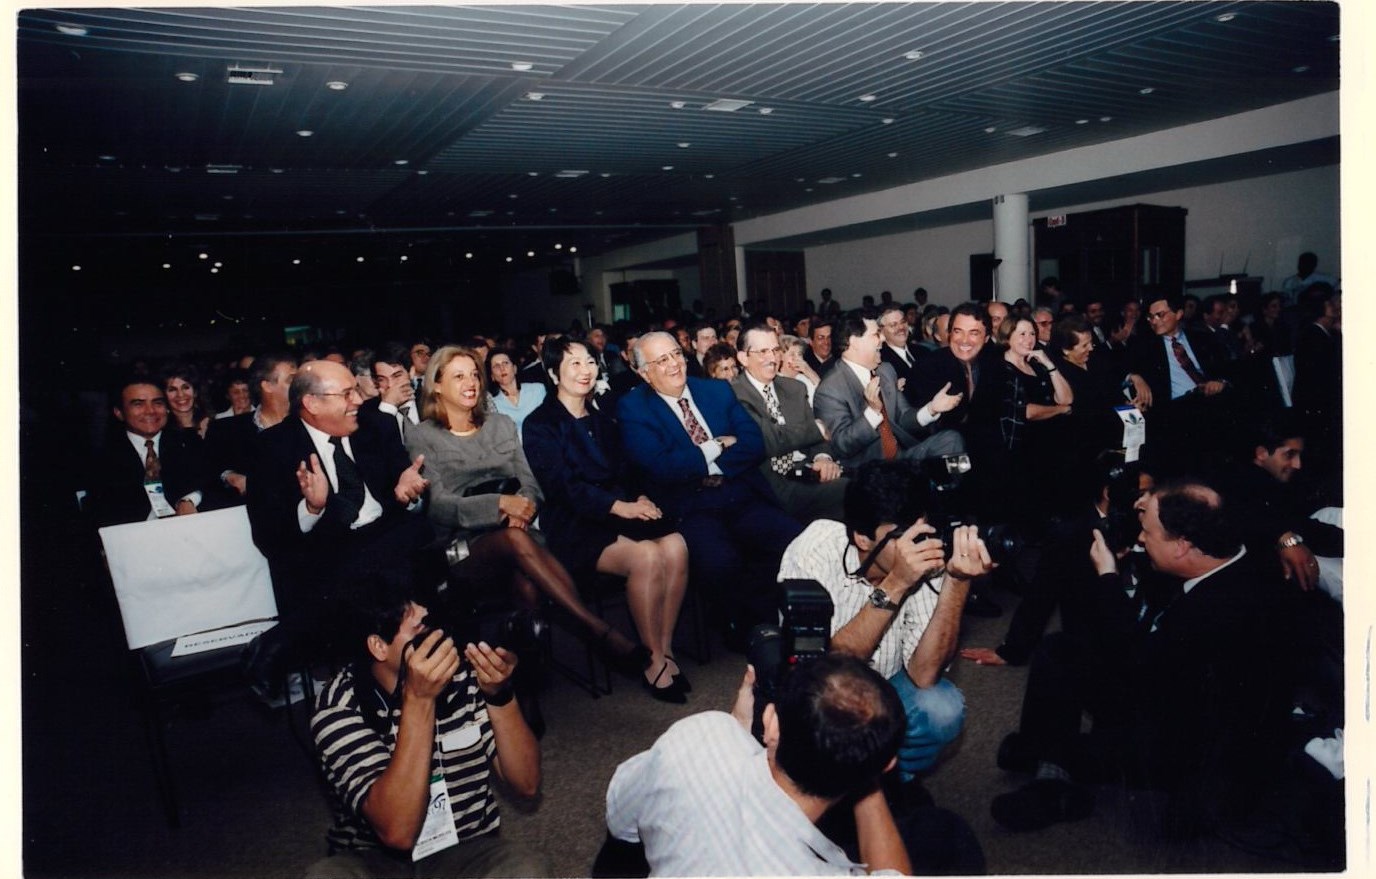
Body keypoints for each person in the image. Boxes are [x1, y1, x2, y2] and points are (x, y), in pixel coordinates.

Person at [990, 480, 1287, 835]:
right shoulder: (1221, 560)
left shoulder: (1220, 610)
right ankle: (1041, 753)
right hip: (1167, 685)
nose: (1141, 540)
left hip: (1184, 742)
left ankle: (1050, 781)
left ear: (1183, 546)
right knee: (1060, 650)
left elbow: (1133, 662)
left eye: (1149, 533)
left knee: (1064, 745)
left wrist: (1108, 576)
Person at [403, 346, 647, 675]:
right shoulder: (422, 436)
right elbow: (439, 505)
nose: (471, 383)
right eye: (458, 376)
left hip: (520, 531)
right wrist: (501, 505)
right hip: (463, 546)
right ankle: (597, 630)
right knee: (516, 542)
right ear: (436, 385)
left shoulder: (501, 424)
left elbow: (531, 483)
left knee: (527, 583)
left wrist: (522, 508)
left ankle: (525, 673)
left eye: (474, 374)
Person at [308, 580, 548, 877]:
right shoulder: (339, 707)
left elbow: (527, 784)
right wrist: (419, 701)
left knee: (525, 869)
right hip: (374, 859)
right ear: (379, 646)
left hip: (464, 847)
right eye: (420, 631)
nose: (436, 638)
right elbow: (397, 831)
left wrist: (499, 696)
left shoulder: (462, 677)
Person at [778, 460, 993, 779]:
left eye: (922, 530)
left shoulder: (928, 557)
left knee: (941, 708)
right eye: (903, 535)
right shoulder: (814, 551)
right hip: (818, 694)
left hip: (885, 683)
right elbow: (823, 670)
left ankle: (890, 781)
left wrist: (957, 581)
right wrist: (896, 584)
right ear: (862, 538)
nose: (917, 545)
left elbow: (924, 675)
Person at [605, 655, 910, 876]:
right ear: (887, 766)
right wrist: (867, 771)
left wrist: (732, 735)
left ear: (771, 721)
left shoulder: (699, 730)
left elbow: (620, 817)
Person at [244, 360, 435, 690]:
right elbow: (269, 538)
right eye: (347, 394)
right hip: (331, 551)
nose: (358, 400)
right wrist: (311, 509)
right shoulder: (273, 448)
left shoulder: (376, 426)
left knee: (407, 537)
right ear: (312, 403)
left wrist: (408, 494)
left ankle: (286, 636)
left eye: (356, 391)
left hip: (382, 541)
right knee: (377, 567)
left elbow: (408, 492)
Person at [521, 338, 691, 701]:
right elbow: (563, 487)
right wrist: (619, 506)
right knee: (647, 556)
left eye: (589, 362)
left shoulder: (602, 419)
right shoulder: (540, 425)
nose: (585, 371)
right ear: (554, 374)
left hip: (617, 510)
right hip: (574, 522)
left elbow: (626, 471)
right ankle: (652, 661)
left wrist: (638, 497)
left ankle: (665, 648)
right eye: (574, 364)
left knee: (676, 545)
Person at [616, 331, 803, 645]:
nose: (674, 364)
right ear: (645, 373)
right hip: (691, 505)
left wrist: (705, 464)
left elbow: (753, 443)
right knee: (721, 561)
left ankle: (774, 618)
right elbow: (662, 466)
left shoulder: (715, 390)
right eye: (662, 360)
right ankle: (745, 629)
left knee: (793, 538)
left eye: (676, 354)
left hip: (738, 491)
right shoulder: (633, 407)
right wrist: (716, 446)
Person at [813, 315, 965, 469]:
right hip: (869, 469)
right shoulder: (830, 389)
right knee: (943, 467)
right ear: (854, 342)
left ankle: (951, 483)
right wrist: (873, 413)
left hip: (901, 458)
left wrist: (931, 408)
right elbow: (841, 446)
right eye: (876, 334)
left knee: (952, 440)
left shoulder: (885, 370)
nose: (883, 339)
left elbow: (903, 417)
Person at [731, 324, 847, 523]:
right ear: (743, 358)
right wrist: (817, 429)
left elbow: (817, 441)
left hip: (806, 474)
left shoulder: (794, 388)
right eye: (763, 351)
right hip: (768, 488)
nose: (772, 358)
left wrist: (823, 457)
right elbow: (767, 439)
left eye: (775, 350)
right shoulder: (732, 394)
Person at [88, 373, 212, 527]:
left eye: (157, 403)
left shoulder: (188, 442)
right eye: (138, 404)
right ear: (119, 413)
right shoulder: (103, 459)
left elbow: (208, 482)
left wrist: (189, 500)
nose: (150, 411)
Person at [205, 352, 297, 504]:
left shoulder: (310, 425)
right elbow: (209, 469)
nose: (300, 385)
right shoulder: (226, 430)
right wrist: (230, 476)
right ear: (267, 386)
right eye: (291, 380)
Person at [359, 343, 421, 444]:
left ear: (411, 372)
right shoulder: (366, 412)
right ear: (376, 382)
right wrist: (388, 407)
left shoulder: (431, 401)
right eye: (382, 379)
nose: (390, 385)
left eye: (397, 376)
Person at [486, 347, 546, 436]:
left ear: (514, 368)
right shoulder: (493, 403)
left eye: (505, 363)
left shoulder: (537, 390)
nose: (502, 368)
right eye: (496, 366)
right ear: (492, 376)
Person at [876, 305, 924, 405]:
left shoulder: (923, 351)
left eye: (903, 322)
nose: (901, 327)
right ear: (881, 331)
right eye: (893, 325)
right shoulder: (881, 361)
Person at [164, 363, 211, 438]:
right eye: (172, 389)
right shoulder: (161, 430)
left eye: (185, 387)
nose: (180, 394)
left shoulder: (212, 424)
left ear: (195, 392)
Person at [778, 334, 821, 405]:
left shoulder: (804, 379)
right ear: (780, 357)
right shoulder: (776, 381)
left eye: (799, 354)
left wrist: (808, 371)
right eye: (792, 354)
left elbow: (824, 396)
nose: (798, 359)